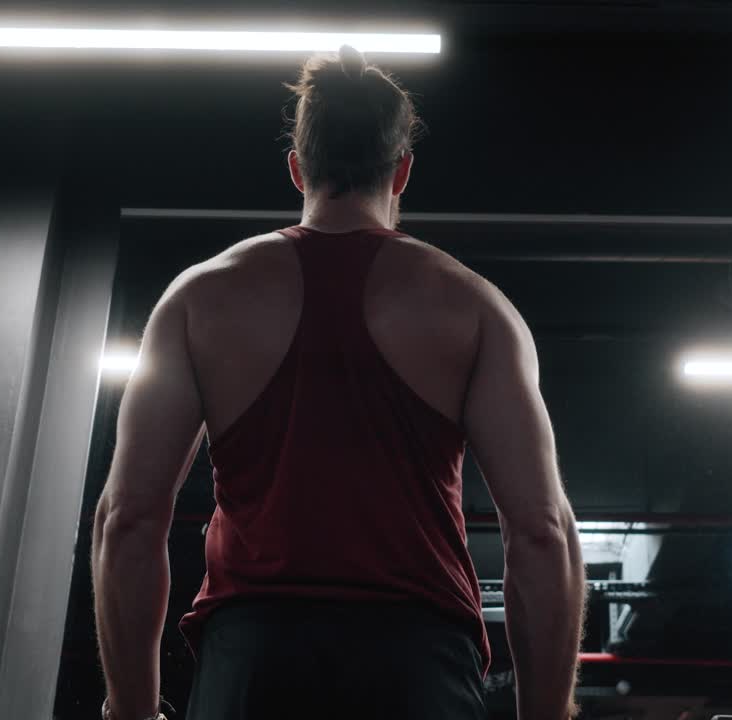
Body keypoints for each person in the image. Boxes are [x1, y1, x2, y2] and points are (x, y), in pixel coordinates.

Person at [92, 45, 586, 720]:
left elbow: (126, 521)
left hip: (255, 661)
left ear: (298, 167)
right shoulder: (474, 307)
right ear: (402, 170)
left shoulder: (199, 299)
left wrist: (130, 710)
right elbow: (542, 533)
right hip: (418, 663)